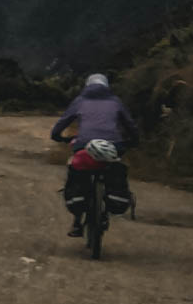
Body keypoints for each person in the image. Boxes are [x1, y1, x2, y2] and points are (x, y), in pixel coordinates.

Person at [50, 73, 138, 237]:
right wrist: (133, 140)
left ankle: (77, 221)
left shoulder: (80, 101)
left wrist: (58, 137)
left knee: (78, 170)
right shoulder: (115, 102)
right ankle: (108, 201)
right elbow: (130, 124)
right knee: (115, 167)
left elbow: (62, 123)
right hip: (113, 145)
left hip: (84, 144)